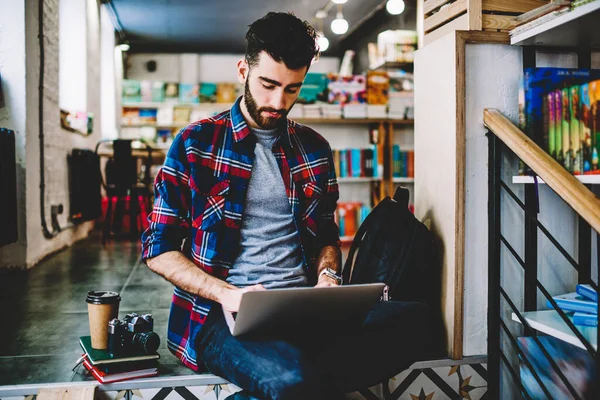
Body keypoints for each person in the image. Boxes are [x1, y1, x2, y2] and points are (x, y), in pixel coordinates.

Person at [142, 11, 431, 400]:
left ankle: (297, 370)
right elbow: (157, 249)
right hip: (224, 316)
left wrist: (328, 275)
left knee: (416, 322)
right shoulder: (196, 143)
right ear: (243, 69)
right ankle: (297, 375)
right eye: (268, 84)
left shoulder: (313, 148)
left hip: (305, 308)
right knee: (293, 381)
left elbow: (326, 234)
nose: (278, 102)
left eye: (292, 89)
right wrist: (228, 294)